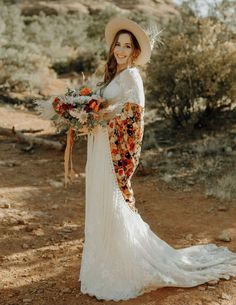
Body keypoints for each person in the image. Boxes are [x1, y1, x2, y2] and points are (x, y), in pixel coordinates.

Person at [78, 17, 236, 301]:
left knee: (114, 205)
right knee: (101, 202)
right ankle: (105, 262)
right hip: (100, 148)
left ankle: (123, 266)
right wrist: (84, 112)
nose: (121, 50)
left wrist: (100, 118)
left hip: (114, 152)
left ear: (135, 52)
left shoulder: (133, 77)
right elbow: (108, 107)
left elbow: (134, 120)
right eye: (118, 44)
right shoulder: (114, 76)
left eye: (128, 46)